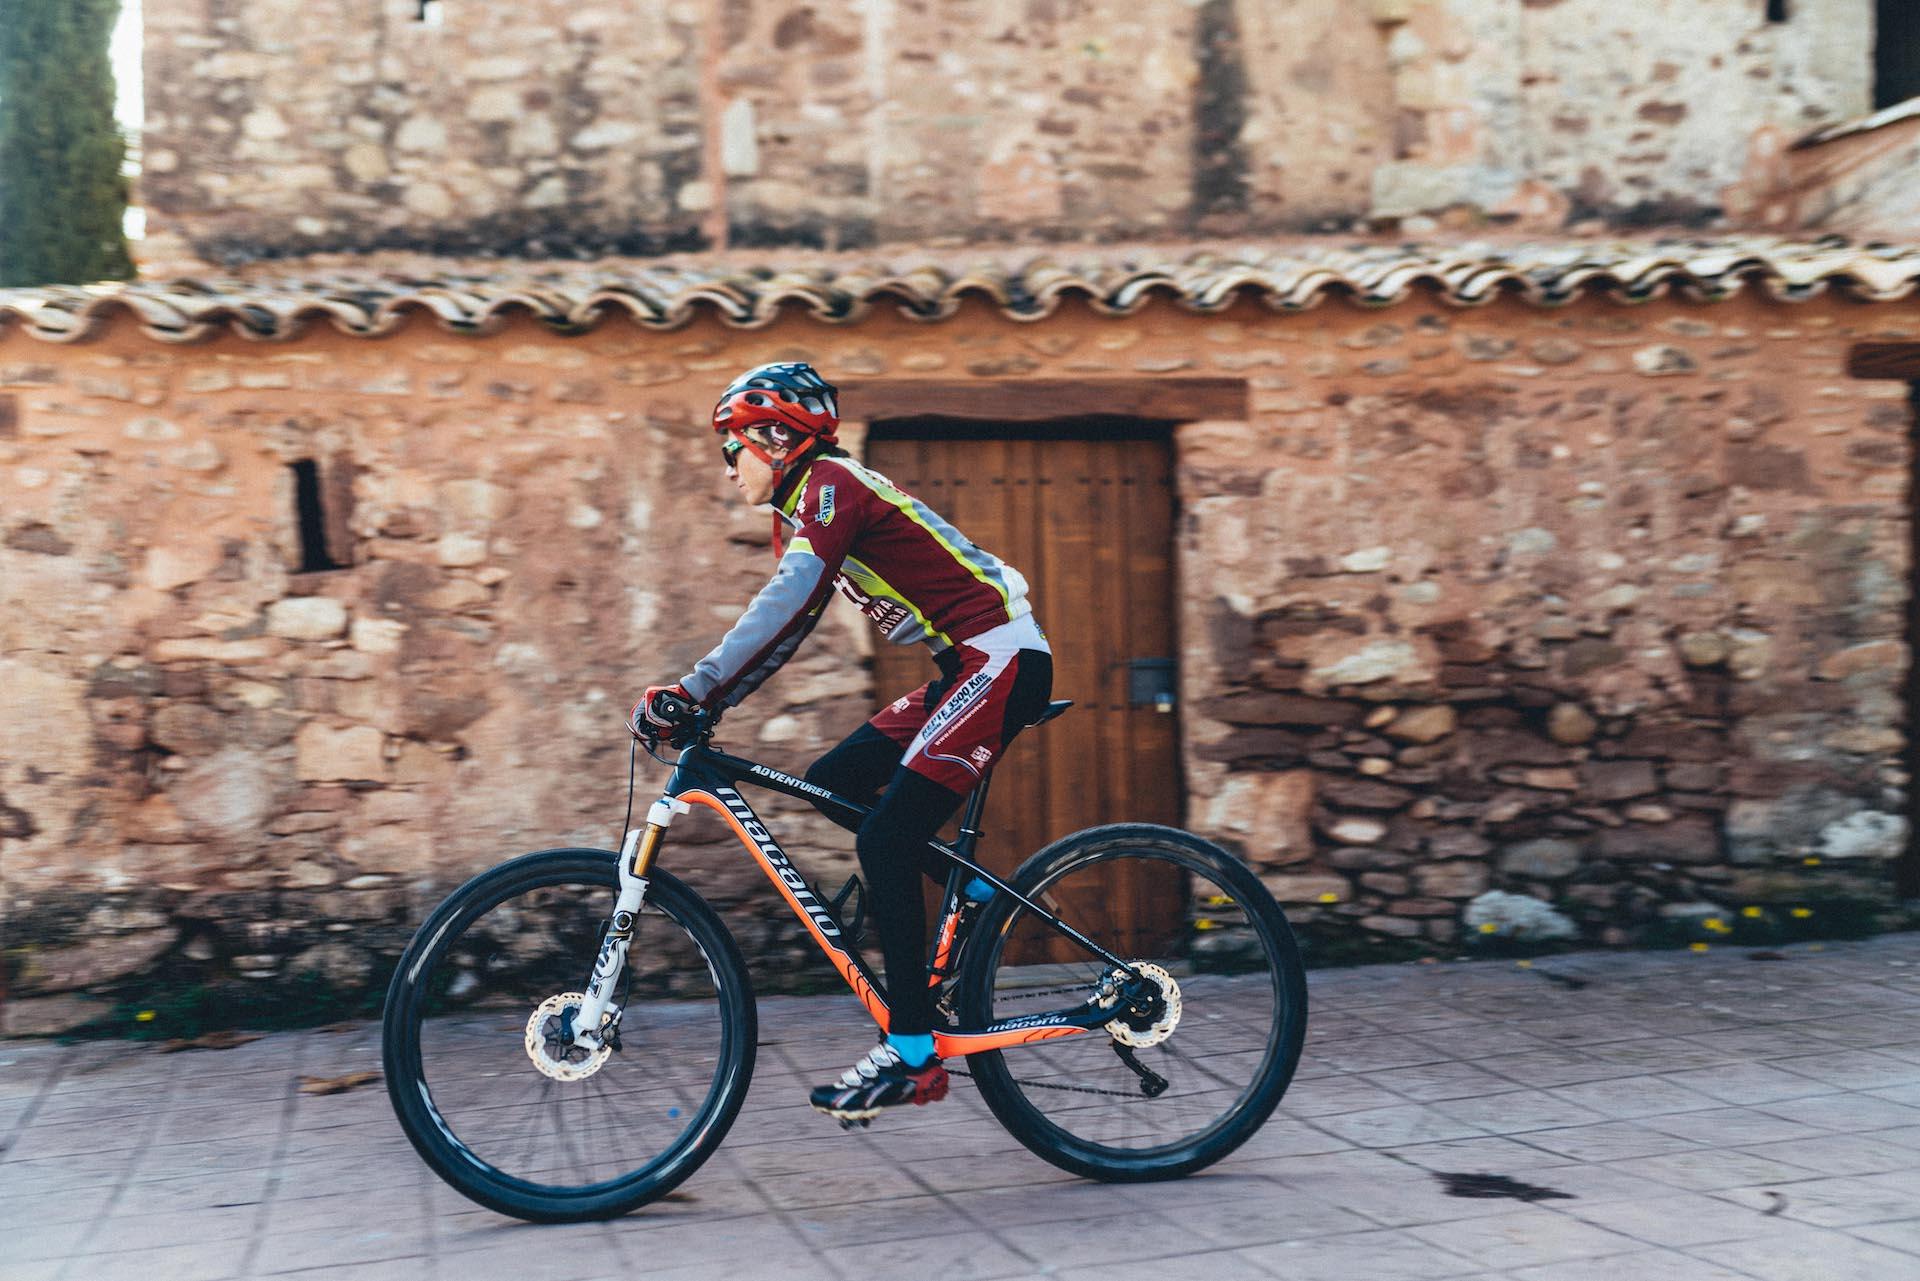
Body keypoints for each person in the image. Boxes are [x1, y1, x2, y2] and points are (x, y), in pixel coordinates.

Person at [631, 362, 1053, 1123]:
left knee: (888, 843)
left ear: (773, 436)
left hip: (1000, 656)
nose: (728, 468)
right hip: (969, 664)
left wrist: (695, 686)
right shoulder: (804, 510)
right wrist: (713, 702)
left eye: (733, 449)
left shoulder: (831, 484)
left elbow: (786, 601)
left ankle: (914, 1051)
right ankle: (982, 896)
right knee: (841, 781)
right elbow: (791, 627)